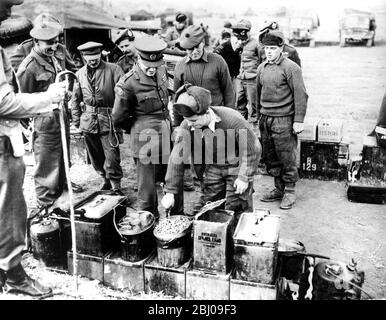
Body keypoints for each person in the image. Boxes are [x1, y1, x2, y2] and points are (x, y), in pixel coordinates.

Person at [0, 0, 67, 297]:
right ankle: (14, 275)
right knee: (10, 210)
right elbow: (7, 102)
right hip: (5, 141)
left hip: (19, 132)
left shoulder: (56, 56)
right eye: (4, 8)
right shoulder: (25, 63)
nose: (7, 15)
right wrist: (47, 98)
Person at [161, 84, 261, 221]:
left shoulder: (232, 120)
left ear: (207, 113)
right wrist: (170, 192)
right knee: (210, 205)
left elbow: (252, 149)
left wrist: (244, 176)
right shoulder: (187, 126)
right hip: (213, 167)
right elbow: (176, 158)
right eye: (187, 120)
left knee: (238, 205)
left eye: (194, 120)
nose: (189, 124)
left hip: (236, 166)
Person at [112, 36, 183, 218]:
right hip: (144, 142)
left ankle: (176, 220)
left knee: (173, 181)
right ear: (139, 58)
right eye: (148, 66)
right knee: (147, 191)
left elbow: (166, 98)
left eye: (156, 64)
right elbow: (118, 118)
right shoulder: (127, 83)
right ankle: (148, 226)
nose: (152, 69)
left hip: (166, 136)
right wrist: (137, 127)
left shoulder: (161, 70)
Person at [16, 22, 78, 213]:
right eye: (49, 43)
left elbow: (65, 76)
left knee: (62, 158)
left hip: (60, 115)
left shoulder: (53, 57)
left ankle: (61, 199)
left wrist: (67, 92)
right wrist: (28, 129)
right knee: (47, 164)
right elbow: (22, 101)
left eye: (56, 42)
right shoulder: (28, 67)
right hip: (43, 120)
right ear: (35, 42)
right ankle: (47, 206)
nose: (54, 46)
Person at [173, 24, 235, 196]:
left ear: (203, 43)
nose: (193, 52)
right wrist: (177, 125)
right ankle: (204, 194)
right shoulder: (180, 67)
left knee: (220, 159)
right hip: (193, 124)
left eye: (196, 48)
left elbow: (229, 92)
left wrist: (229, 120)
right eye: (188, 50)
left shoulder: (218, 61)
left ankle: (222, 196)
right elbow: (176, 99)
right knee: (197, 162)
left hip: (217, 121)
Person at [257, 30, 308, 210]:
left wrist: (298, 119)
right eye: (266, 48)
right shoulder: (261, 68)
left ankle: (290, 191)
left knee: (286, 156)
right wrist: (258, 118)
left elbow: (301, 95)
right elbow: (258, 95)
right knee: (270, 156)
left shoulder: (291, 67)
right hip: (266, 119)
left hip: (283, 119)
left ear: (281, 48)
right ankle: (279, 188)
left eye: (273, 48)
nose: (269, 52)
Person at [71, 42, 124, 192]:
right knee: (95, 157)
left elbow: (123, 95)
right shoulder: (79, 74)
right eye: (89, 58)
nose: (93, 61)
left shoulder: (114, 70)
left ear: (100, 54)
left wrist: (120, 118)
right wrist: (76, 120)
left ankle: (116, 186)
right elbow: (75, 98)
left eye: (96, 57)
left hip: (109, 119)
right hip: (88, 121)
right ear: (84, 57)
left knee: (112, 156)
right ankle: (104, 178)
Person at [9, 12, 77, 73]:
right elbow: (13, 76)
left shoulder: (60, 48)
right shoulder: (24, 48)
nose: (54, 47)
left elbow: (73, 71)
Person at [232, 19, 261, 124]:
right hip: (240, 78)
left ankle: (255, 127)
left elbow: (262, 61)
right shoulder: (239, 44)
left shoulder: (256, 44)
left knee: (254, 105)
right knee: (239, 103)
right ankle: (241, 125)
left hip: (252, 79)